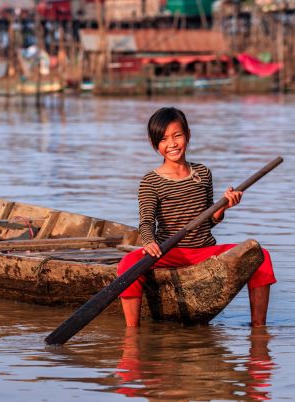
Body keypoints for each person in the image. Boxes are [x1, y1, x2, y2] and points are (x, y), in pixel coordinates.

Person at [117, 107, 276, 328]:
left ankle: (259, 329)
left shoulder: (203, 173)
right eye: (163, 139)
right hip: (168, 252)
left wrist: (223, 207)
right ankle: (132, 332)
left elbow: (208, 219)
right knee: (127, 264)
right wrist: (149, 242)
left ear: (188, 135)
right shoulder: (150, 182)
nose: (172, 144)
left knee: (261, 255)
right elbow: (146, 221)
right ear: (155, 145)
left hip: (203, 249)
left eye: (177, 136)